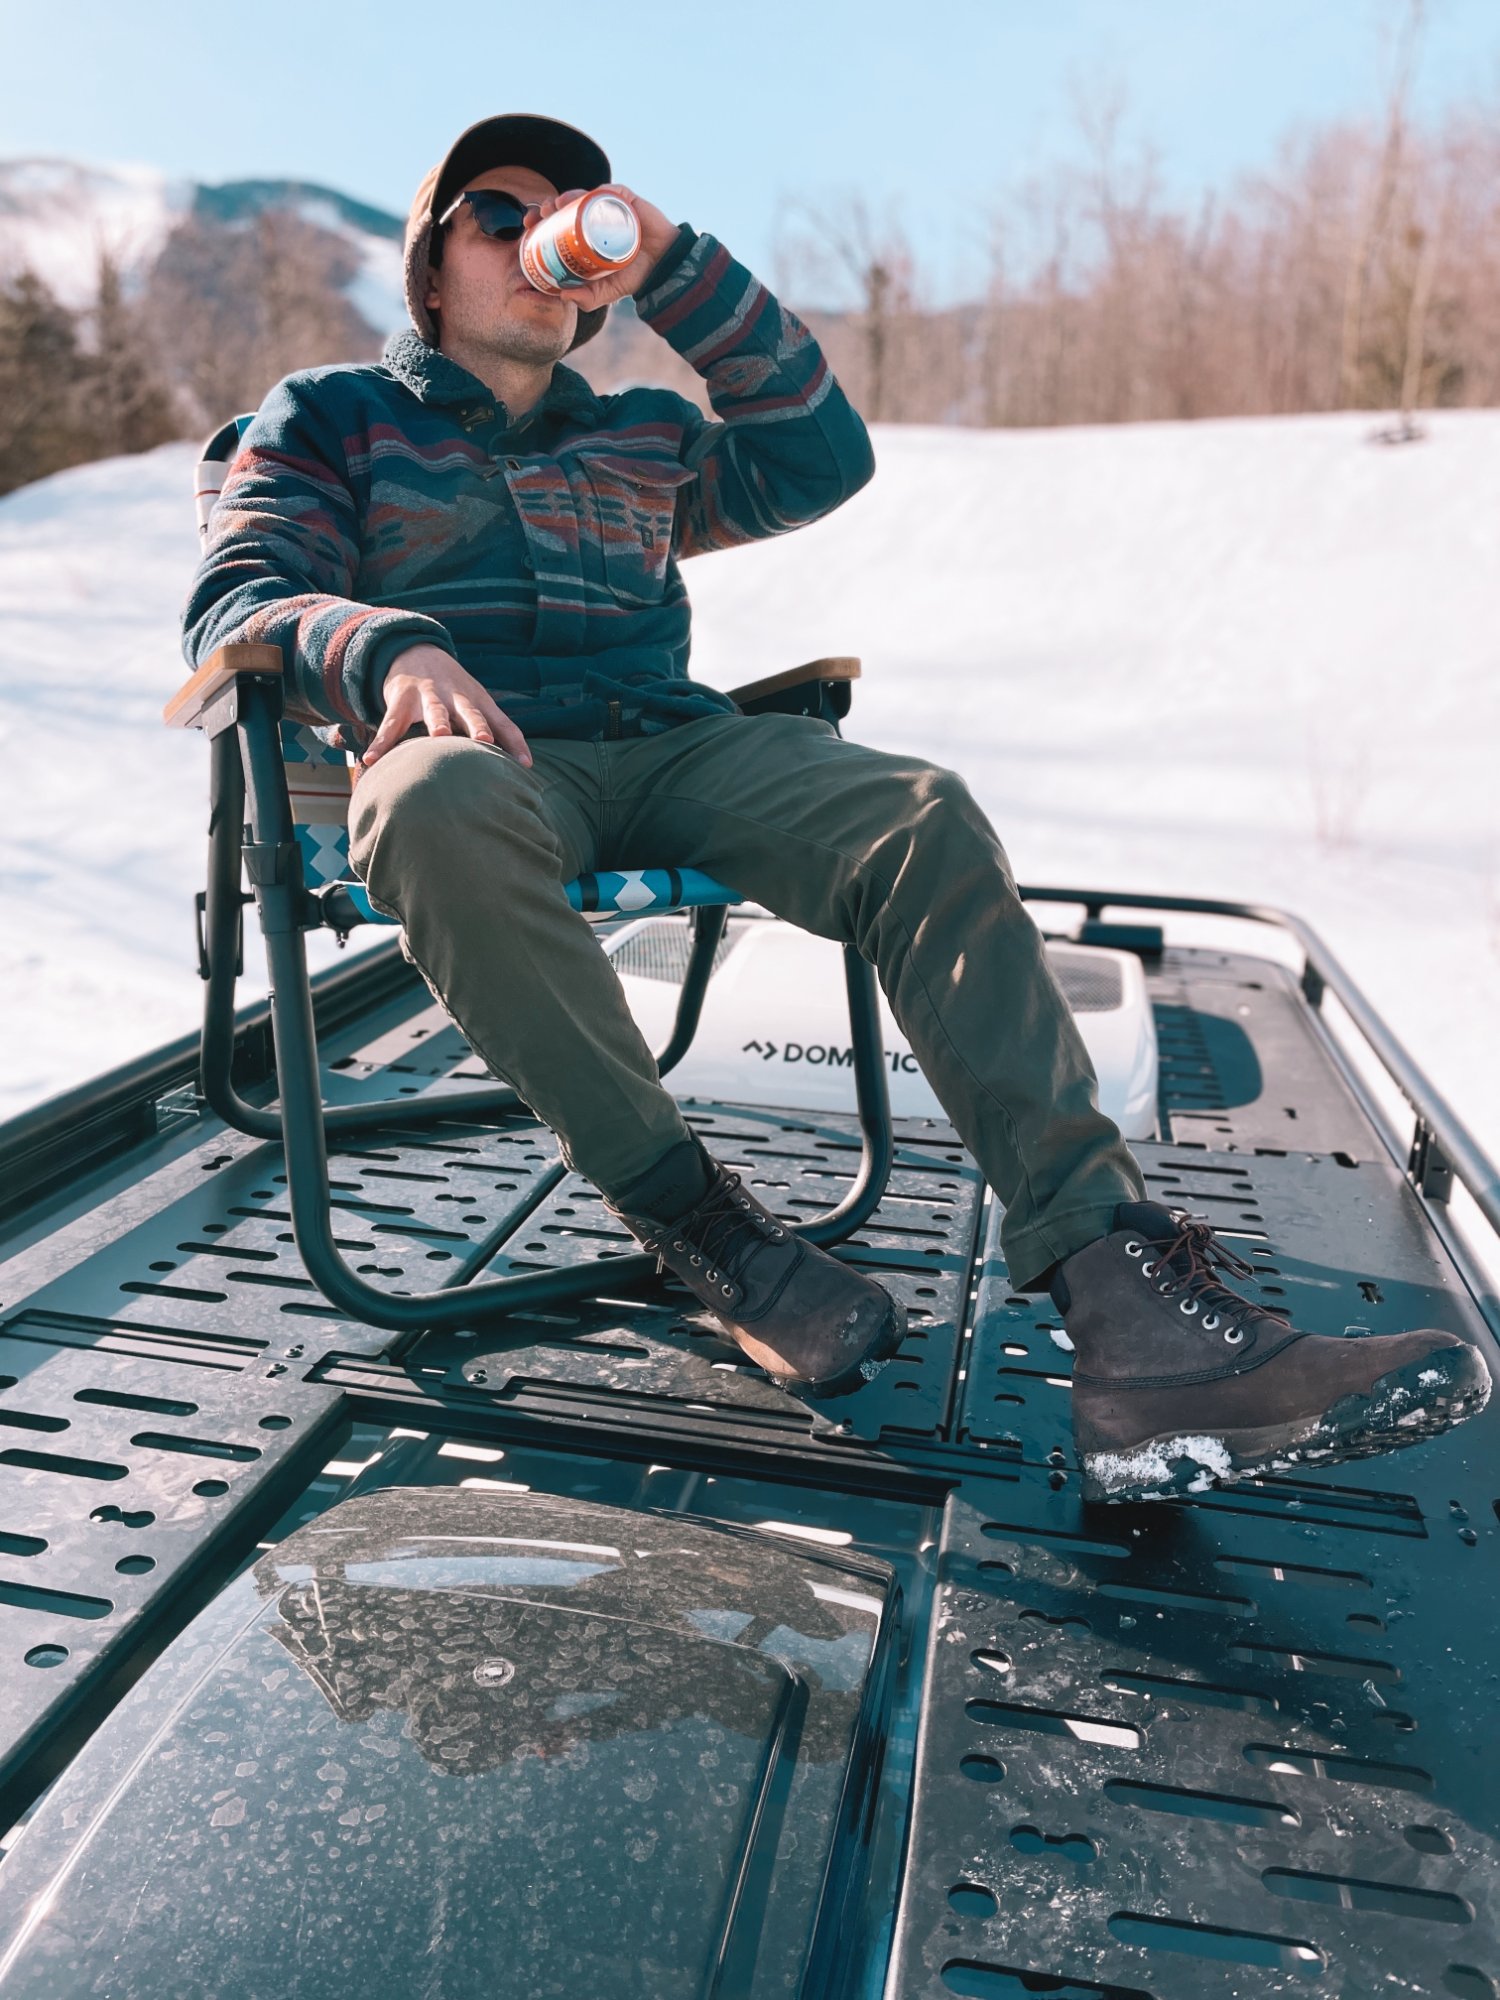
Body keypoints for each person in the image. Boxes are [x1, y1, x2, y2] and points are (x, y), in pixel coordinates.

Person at [183, 113, 1490, 1503]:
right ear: (429, 271)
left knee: (916, 808)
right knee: (436, 801)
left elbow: (819, 454)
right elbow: (240, 590)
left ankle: (1126, 1306)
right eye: (499, 217)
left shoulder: (643, 434)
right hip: (482, 760)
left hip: (669, 749)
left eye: (567, 213)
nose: (538, 237)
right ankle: (712, 1236)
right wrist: (391, 646)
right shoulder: (332, 414)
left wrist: (673, 264)